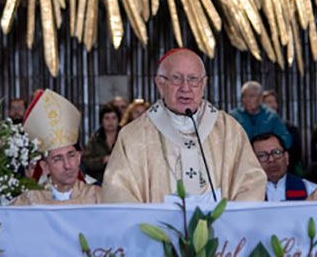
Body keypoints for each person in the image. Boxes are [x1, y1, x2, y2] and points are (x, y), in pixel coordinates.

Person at [102, 48, 266, 203]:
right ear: (160, 84)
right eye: (176, 78)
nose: (185, 88)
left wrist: (226, 226)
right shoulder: (133, 136)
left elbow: (251, 183)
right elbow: (118, 192)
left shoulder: (229, 130)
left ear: (203, 84)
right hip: (157, 232)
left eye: (193, 79)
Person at [13, 89, 100, 205]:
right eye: (58, 159)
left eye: (71, 155)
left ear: (79, 157)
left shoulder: (98, 196)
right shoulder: (30, 201)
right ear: (45, 166)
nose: (67, 165)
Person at [252, 133, 316, 201]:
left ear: (286, 157)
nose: (271, 159)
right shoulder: (245, 194)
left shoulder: (311, 190)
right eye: (262, 155)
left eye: (276, 152)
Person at [230, 82, 291, 148]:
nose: (247, 100)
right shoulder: (234, 116)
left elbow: (285, 139)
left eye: (251, 96)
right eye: (244, 96)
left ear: (260, 98)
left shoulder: (271, 116)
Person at [262, 90, 303, 176]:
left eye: (274, 102)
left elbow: (296, 153)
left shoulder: (290, 128)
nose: (272, 105)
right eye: (268, 102)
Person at [83, 104, 121, 184]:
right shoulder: (95, 139)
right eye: (107, 118)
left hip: (123, 180)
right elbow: (86, 162)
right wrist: (103, 160)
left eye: (114, 118)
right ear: (101, 121)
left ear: (118, 120)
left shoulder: (125, 137)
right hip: (99, 182)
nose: (110, 122)